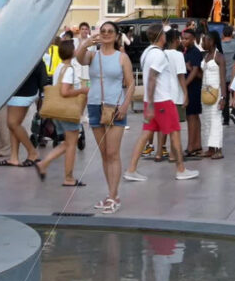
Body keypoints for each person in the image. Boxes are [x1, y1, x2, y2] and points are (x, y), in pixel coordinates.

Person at [124, 24, 199, 181]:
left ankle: (131, 169)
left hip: (152, 100)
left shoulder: (147, 52)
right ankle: (180, 169)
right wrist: (152, 103)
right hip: (162, 100)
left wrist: (149, 103)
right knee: (175, 132)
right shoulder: (158, 55)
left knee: (145, 135)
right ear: (161, 37)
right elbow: (152, 77)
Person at [76, 21, 134, 214]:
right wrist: (86, 43)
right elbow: (79, 58)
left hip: (115, 106)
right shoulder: (93, 55)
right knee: (103, 153)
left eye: (110, 31)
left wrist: (125, 105)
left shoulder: (122, 57)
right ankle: (111, 195)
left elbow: (131, 83)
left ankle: (113, 196)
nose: (107, 34)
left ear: (117, 35)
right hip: (95, 105)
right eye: (103, 31)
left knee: (112, 152)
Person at [35, 40, 90, 186]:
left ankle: (44, 163)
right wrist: (82, 90)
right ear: (71, 52)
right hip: (68, 111)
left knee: (67, 143)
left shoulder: (60, 67)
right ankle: (69, 178)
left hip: (58, 112)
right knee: (71, 144)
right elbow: (64, 92)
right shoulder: (69, 69)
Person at [0, 59, 47, 168]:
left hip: (25, 91)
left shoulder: (33, 53)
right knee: (13, 125)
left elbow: (41, 71)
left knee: (13, 123)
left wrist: (43, 93)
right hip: (14, 91)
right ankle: (14, 158)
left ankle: (32, 152)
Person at [161, 28, 188, 162]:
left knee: (164, 125)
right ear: (175, 40)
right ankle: (173, 154)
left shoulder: (162, 54)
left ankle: (159, 152)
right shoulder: (178, 55)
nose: (181, 41)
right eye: (179, 38)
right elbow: (181, 76)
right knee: (175, 126)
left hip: (163, 94)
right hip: (176, 94)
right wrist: (185, 93)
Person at [200, 32, 227, 159]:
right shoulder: (206, 56)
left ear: (211, 41)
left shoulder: (219, 57)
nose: (202, 43)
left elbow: (222, 78)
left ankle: (219, 149)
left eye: (204, 41)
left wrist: (223, 98)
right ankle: (210, 148)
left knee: (216, 121)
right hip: (205, 92)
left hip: (216, 93)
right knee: (206, 121)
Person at [181, 29, 203, 158]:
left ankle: (191, 146)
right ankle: (197, 144)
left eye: (187, 38)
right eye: (183, 38)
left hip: (193, 88)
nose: (184, 40)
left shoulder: (195, 52)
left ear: (193, 39)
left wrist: (184, 86)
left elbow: (195, 72)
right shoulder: (186, 52)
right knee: (193, 117)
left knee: (192, 117)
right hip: (190, 87)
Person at [221, 25, 235, 126]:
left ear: (223, 33)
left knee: (224, 96)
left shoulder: (220, 45)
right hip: (234, 74)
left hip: (223, 74)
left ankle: (225, 119)